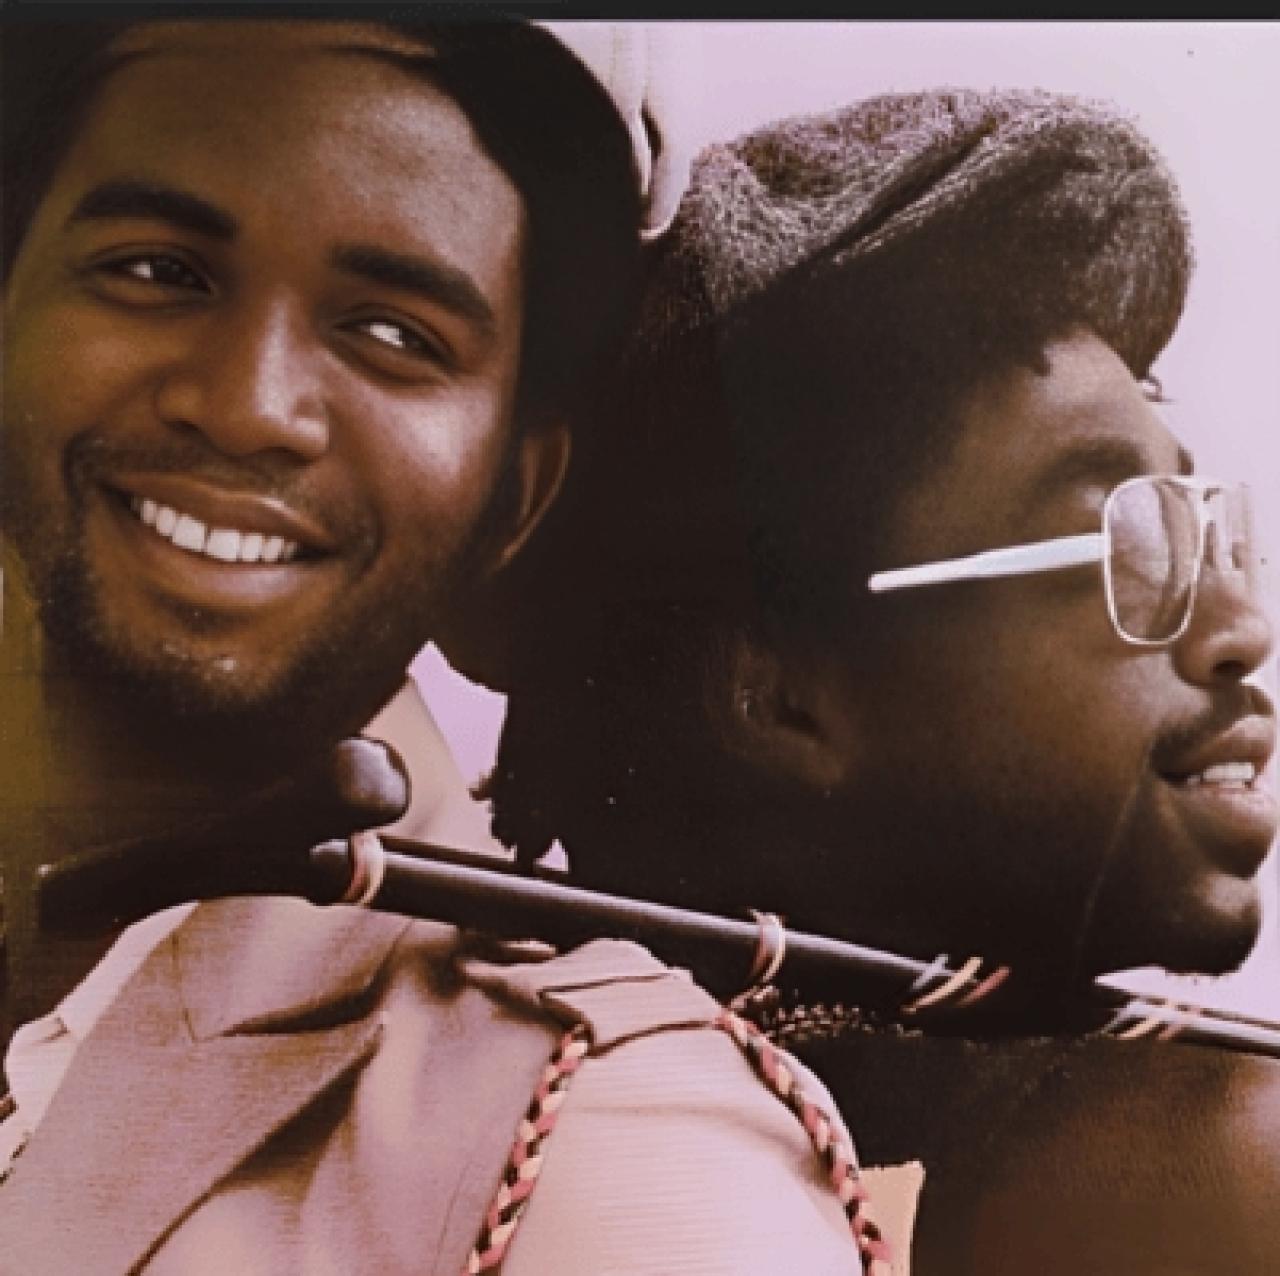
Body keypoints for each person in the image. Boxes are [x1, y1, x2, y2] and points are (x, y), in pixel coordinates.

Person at [0, 18, 910, 1274]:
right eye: (158, 270)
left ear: (513, 497)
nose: (249, 404)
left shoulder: (629, 1153)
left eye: (394, 334)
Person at [478, 89, 1280, 1272]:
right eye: (1120, 541)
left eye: (1203, 531)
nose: (1237, 629)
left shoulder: (519, 1100)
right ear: (779, 693)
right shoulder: (1209, 1165)